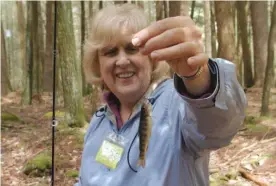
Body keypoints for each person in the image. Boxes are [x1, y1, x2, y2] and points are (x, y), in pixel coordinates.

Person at [76, 3, 247, 186]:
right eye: (110, 52)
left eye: (132, 48)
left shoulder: (179, 102)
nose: (122, 60)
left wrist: (199, 79)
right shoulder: (98, 122)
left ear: (152, 56)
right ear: (98, 64)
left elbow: (218, 128)